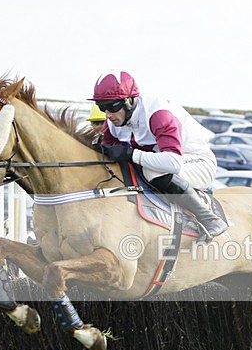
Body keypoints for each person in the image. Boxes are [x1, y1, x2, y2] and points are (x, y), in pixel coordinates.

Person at [89, 69, 227, 241]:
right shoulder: (113, 121)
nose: (108, 115)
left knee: (152, 171)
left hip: (196, 160)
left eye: (112, 106)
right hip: (163, 160)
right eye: (102, 107)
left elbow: (172, 163)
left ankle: (210, 218)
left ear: (129, 101)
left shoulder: (157, 114)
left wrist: (130, 153)